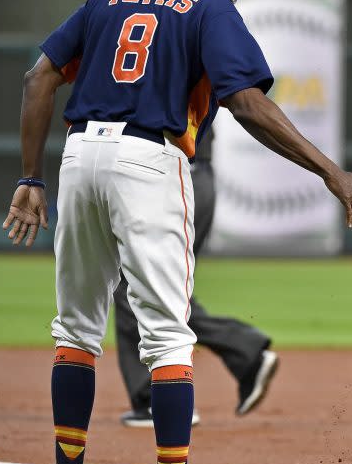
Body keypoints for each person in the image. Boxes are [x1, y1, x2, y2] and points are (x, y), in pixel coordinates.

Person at [3, 0, 352, 464]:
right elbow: (248, 102)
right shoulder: (207, 5)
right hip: (150, 160)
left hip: (81, 156)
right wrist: (329, 172)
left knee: (76, 330)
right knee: (168, 336)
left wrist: (31, 177)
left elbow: (39, 78)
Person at [115, 130, 278, 428]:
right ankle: (244, 352)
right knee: (162, 288)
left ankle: (161, 399)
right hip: (194, 175)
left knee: (136, 285)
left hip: (171, 179)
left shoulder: (157, 82)